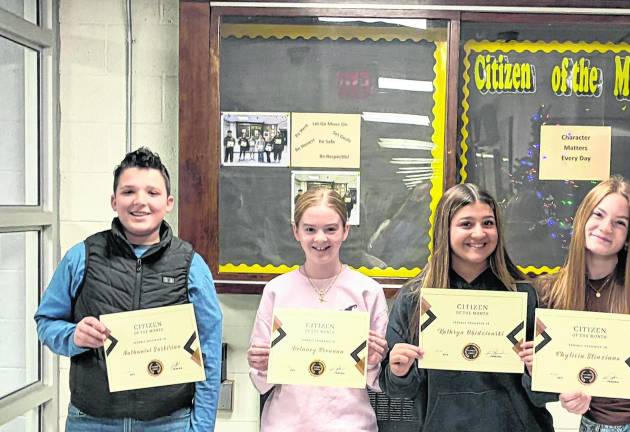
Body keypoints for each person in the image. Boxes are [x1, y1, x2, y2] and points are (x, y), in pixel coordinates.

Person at [34, 147, 222, 431]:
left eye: (152, 193)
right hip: (91, 421)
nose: (140, 202)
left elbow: (208, 352)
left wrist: (202, 426)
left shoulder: (191, 266)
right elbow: (45, 322)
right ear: (114, 201)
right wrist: (74, 336)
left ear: (168, 202)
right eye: (128, 192)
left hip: (169, 422)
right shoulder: (81, 257)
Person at [379, 183, 554, 431]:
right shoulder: (415, 298)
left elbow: (546, 395)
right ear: (445, 229)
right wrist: (399, 371)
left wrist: (540, 371)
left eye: (488, 223)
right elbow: (396, 390)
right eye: (466, 224)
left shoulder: (523, 295)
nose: (479, 233)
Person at [533, 176, 630, 432]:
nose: (606, 227)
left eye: (620, 223)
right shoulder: (551, 291)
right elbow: (550, 371)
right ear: (583, 217)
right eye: (598, 215)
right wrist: (566, 395)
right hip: (594, 425)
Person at [247, 188, 388, 431]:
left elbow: (377, 382)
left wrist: (375, 361)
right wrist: (260, 364)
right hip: (285, 424)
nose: (320, 239)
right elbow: (260, 382)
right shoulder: (277, 291)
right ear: (296, 231)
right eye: (310, 229)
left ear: (345, 231)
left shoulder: (368, 291)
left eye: (331, 229)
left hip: (351, 425)